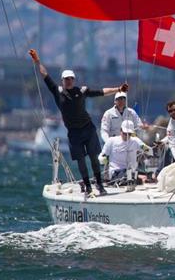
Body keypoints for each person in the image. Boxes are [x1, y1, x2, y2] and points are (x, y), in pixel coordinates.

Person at [29, 48, 126, 196]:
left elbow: (101, 92)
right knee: (80, 160)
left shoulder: (82, 91)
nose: (68, 81)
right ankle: (88, 186)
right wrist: (37, 61)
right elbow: (44, 75)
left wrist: (118, 89)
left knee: (94, 157)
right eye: (66, 79)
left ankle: (99, 185)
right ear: (62, 80)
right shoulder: (57, 91)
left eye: (70, 79)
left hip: (88, 129)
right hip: (73, 132)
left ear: (73, 80)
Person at [100, 120, 143, 192]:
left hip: (131, 173)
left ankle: (132, 181)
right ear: (120, 130)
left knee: (133, 174)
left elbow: (147, 149)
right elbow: (101, 156)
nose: (127, 136)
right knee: (128, 175)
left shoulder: (135, 141)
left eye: (129, 134)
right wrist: (103, 159)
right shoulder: (111, 141)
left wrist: (147, 148)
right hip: (115, 172)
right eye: (125, 133)